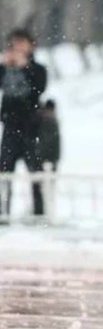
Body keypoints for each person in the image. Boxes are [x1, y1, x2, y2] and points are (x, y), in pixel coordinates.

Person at [0, 28, 48, 217]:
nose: (17, 47)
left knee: (36, 173)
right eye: (14, 43)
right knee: (5, 173)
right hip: (10, 127)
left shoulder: (38, 69)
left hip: (31, 128)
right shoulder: (5, 68)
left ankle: (39, 213)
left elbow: (39, 89)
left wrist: (25, 67)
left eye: (21, 43)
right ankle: (3, 212)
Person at [37, 99, 61, 172]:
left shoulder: (53, 121)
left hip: (50, 151)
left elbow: (56, 140)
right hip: (42, 151)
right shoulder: (42, 120)